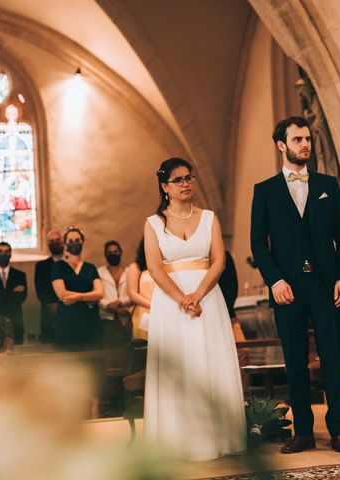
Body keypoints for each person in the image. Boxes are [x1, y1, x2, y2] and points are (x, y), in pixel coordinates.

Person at [250, 116, 340, 454]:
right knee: (295, 361)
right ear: (282, 145)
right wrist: (275, 280)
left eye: (307, 138)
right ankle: (304, 433)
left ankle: (338, 431)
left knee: (332, 359)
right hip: (288, 289)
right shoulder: (264, 191)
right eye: (297, 140)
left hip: (327, 286)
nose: (305, 145)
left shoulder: (328, 185)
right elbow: (257, 244)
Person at [144, 157, 246, 462]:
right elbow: (154, 267)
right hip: (170, 303)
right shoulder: (153, 224)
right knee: (181, 366)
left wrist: (198, 294)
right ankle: (176, 441)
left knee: (208, 363)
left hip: (208, 299)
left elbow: (219, 261)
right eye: (178, 180)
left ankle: (218, 437)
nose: (186, 184)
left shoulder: (210, 218)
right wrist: (182, 298)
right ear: (165, 187)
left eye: (189, 178)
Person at [51, 227, 104, 349]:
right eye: (70, 240)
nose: (74, 243)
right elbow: (62, 294)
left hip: (91, 323)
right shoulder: (58, 267)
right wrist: (89, 297)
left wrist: (78, 297)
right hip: (67, 324)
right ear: (65, 243)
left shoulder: (90, 268)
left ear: (83, 241)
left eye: (77, 239)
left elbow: (100, 293)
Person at [98, 240, 132, 347]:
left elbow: (134, 293)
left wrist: (121, 302)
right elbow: (96, 295)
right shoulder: (99, 272)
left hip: (126, 317)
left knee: (127, 351)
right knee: (109, 353)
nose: (113, 254)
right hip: (106, 319)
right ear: (105, 254)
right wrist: (108, 305)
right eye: (110, 252)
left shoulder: (129, 272)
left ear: (120, 252)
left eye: (115, 251)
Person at [34, 230, 64, 343]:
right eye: (51, 241)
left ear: (63, 242)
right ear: (48, 245)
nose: (55, 243)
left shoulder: (71, 263)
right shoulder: (41, 266)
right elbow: (40, 290)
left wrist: (61, 305)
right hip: (48, 313)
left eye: (57, 240)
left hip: (69, 311)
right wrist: (52, 305)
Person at [126, 238, 155, 341]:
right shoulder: (136, 267)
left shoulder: (163, 266)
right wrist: (154, 306)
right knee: (144, 348)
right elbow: (132, 294)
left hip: (162, 312)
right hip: (144, 312)